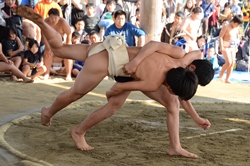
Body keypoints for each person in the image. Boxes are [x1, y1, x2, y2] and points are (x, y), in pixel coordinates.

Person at [13, 6, 214, 159]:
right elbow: (122, 85)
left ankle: (42, 23)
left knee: (59, 49)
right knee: (79, 94)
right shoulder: (158, 80)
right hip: (106, 65)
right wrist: (114, 89)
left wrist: (195, 117)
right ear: (191, 71)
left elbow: (180, 80)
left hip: (112, 48)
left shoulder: (181, 58)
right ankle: (55, 117)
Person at [43, 8, 73, 81]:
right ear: (48, 17)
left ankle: (68, 74)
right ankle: (47, 73)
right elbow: (43, 35)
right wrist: (47, 47)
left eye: (55, 18)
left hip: (63, 40)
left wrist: (67, 44)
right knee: (48, 53)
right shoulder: (45, 22)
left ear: (59, 17)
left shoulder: (63, 22)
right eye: (51, 18)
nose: (53, 20)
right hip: (50, 41)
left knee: (68, 55)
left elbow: (69, 34)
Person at [219, 14, 243, 83]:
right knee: (228, 62)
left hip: (233, 47)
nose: (238, 26)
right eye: (237, 24)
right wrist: (221, 46)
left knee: (232, 63)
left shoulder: (236, 28)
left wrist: (236, 47)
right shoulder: (226, 27)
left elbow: (236, 38)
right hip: (225, 46)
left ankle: (227, 79)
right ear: (233, 22)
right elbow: (220, 37)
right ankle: (221, 74)